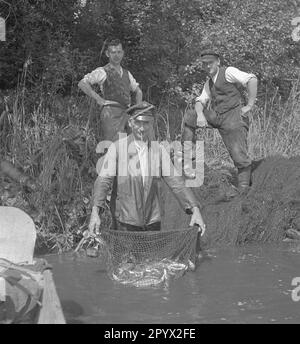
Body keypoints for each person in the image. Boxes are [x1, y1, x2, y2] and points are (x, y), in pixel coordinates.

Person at [88, 101, 206, 234]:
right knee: (125, 255)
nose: (142, 128)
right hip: (125, 221)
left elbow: (176, 182)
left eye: (146, 123)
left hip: (152, 221)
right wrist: (95, 211)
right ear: (130, 123)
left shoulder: (159, 151)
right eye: (138, 122)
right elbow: (104, 180)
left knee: (151, 255)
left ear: (152, 124)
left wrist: (194, 209)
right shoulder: (117, 149)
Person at [183, 50, 258, 199]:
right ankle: (187, 157)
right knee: (190, 115)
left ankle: (243, 189)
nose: (207, 66)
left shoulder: (228, 72)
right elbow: (200, 101)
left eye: (210, 62)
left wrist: (249, 105)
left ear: (218, 62)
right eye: (204, 64)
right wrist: (199, 115)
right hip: (218, 116)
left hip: (234, 116)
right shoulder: (208, 83)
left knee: (238, 155)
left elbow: (252, 79)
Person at [78, 38, 143, 143]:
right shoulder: (102, 71)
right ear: (107, 54)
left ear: (122, 53)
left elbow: (138, 91)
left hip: (127, 114)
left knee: (132, 148)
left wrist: (138, 109)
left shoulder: (127, 73)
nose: (116, 55)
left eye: (119, 52)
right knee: (115, 148)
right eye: (113, 52)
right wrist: (99, 99)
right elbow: (82, 83)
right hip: (111, 113)